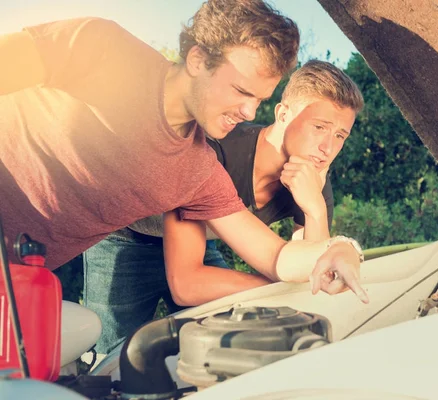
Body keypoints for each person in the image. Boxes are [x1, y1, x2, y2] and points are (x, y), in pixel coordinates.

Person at [0, 0, 367, 329]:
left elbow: (277, 256)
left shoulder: (198, 172)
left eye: (259, 99)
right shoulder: (102, 49)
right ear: (196, 60)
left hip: (15, 278)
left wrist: (341, 248)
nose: (250, 112)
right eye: (241, 91)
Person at [84, 60, 364, 353]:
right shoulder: (217, 147)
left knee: (232, 342)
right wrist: (277, 289)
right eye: (320, 127)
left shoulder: (313, 175)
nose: (328, 148)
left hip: (200, 243)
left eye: (340, 136)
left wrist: (314, 210)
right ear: (283, 114)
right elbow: (186, 284)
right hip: (128, 238)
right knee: (113, 357)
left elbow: (313, 276)